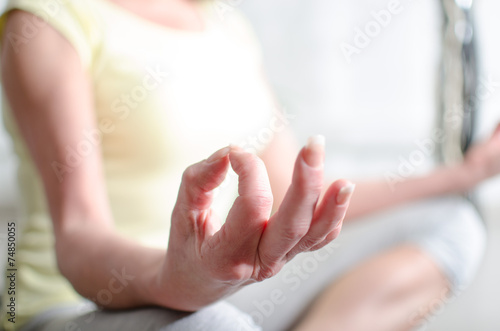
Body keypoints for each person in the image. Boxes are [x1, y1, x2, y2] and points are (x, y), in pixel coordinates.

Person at [0, 1, 499, 331]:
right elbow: (78, 237)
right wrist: (176, 279)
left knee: (451, 223)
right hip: (72, 306)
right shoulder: (47, 20)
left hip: (212, 289)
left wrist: (462, 174)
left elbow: (292, 192)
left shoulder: (225, 26)